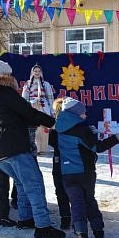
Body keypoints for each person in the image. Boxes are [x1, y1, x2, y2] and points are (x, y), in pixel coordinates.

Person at [0, 58, 65, 238]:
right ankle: (43, 226)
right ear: (3, 75)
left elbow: (14, 116)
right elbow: (28, 112)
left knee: (23, 184)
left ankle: (26, 218)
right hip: (13, 146)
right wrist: (54, 122)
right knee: (35, 185)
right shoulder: (5, 92)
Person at [55, 97, 119, 238]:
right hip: (85, 172)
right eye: (83, 113)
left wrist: (90, 134)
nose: (85, 116)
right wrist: (117, 138)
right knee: (88, 200)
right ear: (75, 114)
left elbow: (54, 144)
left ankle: (81, 234)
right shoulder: (82, 129)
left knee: (76, 203)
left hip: (67, 172)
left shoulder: (58, 127)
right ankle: (97, 229)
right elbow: (98, 148)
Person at [48, 97, 72, 229]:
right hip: (73, 161)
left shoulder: (55, 125)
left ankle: (65, 217)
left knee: (60, 191)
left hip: (59, 161)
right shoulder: (76, 123)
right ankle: (78, 217)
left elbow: (52, 142)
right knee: (75, 191)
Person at [22, 64, 55, 155]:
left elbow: (50, 98)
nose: (37, 73)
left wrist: (52, 111)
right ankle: (33, 147)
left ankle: (42, 149)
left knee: (43, 129)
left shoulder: (46, 84)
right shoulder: (27, 84)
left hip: (43, 106)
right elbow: (24, 98)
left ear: (41, 73)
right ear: (32, 72)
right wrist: (29, 104)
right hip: (32, 107)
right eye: (35, 71)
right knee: (33, 129)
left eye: (38, 71)